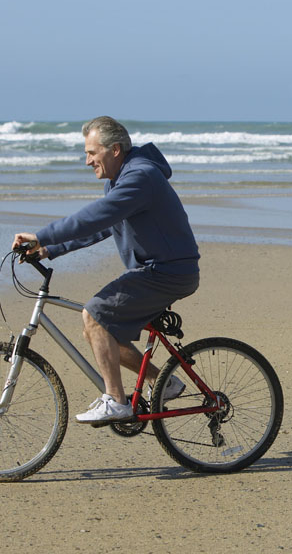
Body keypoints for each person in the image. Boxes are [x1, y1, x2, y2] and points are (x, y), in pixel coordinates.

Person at [13, 116, 200, 424]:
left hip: (167, 272)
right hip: (158, 270)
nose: (87, 161)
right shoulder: (123, 180)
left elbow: (95, 217)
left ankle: (116, 401)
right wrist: (49, 250)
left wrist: (42, 234)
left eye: (91, 153)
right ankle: (163, 381)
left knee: (94, 314)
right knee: (97, 330)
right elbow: (101, 228)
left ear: (114, 150)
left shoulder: (140, 177)